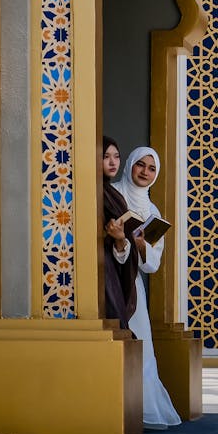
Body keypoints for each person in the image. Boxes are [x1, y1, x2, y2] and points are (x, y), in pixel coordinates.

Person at [113, 146, 182, 430]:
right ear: (129, 165)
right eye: (140, 165)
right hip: (107, 277)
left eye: (151, 168)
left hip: (132, 283)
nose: (144, 172)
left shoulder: (152, 211)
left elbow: (151, 266)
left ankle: (141, 409)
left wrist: (141, 245)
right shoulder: (113, 195)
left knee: (140, 344)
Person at [101, 136, 139, 328]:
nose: (112, 162)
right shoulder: (94, 192)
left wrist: (121, 239)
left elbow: (120, 242)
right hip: (101, 269)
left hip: (113, 268)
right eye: (106, 156)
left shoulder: (112, 194)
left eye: (116, 156)